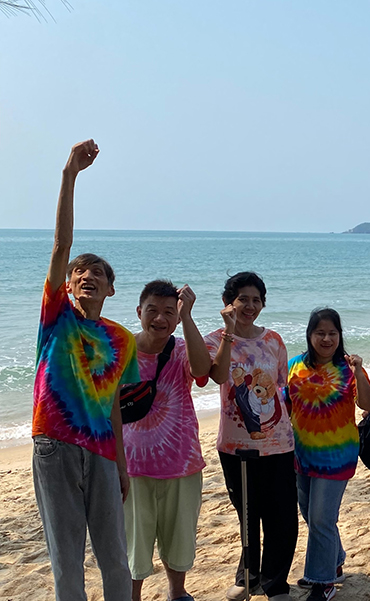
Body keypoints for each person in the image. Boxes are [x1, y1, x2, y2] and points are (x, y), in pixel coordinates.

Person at [31, 139, 139, 600]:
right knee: (66, 556)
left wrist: (120, 463)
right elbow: (61, 243)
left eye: (98, 273)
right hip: (54, 442)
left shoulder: (121, 339)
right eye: (80, 273)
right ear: (69, 284)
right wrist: (69, 174)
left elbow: (113, 401)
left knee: (114, 555)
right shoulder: (56, 314)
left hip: (101, 452)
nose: (87, 277)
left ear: (111, 290)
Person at [205, 272, 297, 601]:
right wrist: (230, 332)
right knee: (248, 514)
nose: (250, 305)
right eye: (243, 298)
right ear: (228, 302)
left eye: (257, 300)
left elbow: (281, 386)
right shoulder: (214, 340)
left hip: (279, 443)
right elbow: (213, 375)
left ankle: (275, 583)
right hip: (235, 445)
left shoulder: (273, 339)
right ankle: (248, 577)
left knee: (282, 515)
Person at [123, 280, 211, 601]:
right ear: (139, 312)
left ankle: (178, 593)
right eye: (152, 311)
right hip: (132, 466)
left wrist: (188, 317)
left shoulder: (183, 350)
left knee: (179, 539)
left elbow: (203, 371)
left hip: (182, 462)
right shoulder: (122, 351)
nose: (160, 319)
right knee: (135, 542)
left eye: (169, 313)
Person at [286, 308, 370, 601]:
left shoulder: (349, 368)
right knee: (311, 516)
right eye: (320, 333)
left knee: (322, 518)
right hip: (301, 453)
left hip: (338, 454)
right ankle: (334, 560)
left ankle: (322, 582)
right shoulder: (295, 365)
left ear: (340, 336)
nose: (326, 338)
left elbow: (367, 404)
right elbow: (284, 407)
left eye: (332, 333)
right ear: (310, 335)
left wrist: (360, 371)